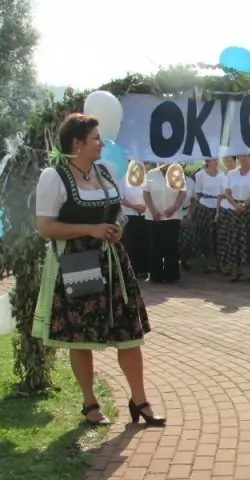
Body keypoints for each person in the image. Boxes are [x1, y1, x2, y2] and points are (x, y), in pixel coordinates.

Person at [33, 113, 164, 427]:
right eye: (95, 138)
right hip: (78, 262)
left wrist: (116, 228)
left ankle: (139, 399)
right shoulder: (55, 177)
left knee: (129, 332)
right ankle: (90, 403)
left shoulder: (104, 171)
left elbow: (118, 213)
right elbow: (45, 227)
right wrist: (90, 230)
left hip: (114, 260)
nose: (102, 143)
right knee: (82, 334)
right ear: (77, 143)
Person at [219, 154, 250, 281]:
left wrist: (244, 205)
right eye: (240, 156)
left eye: (246, 156)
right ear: (237, 158)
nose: (243, 158)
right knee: (233, 241)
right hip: (233, 210)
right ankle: (235, 271)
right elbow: (227, 193)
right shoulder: (231, 174)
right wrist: (235, 205)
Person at [143, 163, 186, 283]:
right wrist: (153, 210)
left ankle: (171, 275)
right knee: (155, 245)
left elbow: (182, 192)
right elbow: (146, 193)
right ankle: (155, 275)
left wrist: (174, 208)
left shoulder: (178, 171)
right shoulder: (151, 173)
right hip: (153, 216)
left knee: (171, 246)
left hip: (173, 216)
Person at [193, 158, 225, 272]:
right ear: (207, 162)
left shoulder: (222, 174)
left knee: (218, 235)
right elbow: (198, 192)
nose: (215, 162)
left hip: (219, 206)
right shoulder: (200, 175)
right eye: (212, 160)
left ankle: (219, 261)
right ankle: (205, 261)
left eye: (216, 159)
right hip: (204, 206)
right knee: (205, 235)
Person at [119, 161, 149, 279]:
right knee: (131, 243)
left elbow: (149, 195)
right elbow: (121, 198)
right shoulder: (124, 180)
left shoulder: (146, 180)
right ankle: (132, 269)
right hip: (129, 215)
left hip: (144, 216)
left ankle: (144, 269)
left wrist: (145, 206)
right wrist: (134, 206)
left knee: (144, 243)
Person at [178, 166, 197, 271]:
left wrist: (189, 216)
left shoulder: (190, 181)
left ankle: (184, 261)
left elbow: (194, 199)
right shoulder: (170, 180)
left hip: (186, 213)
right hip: (174, 215)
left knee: (187, 240)